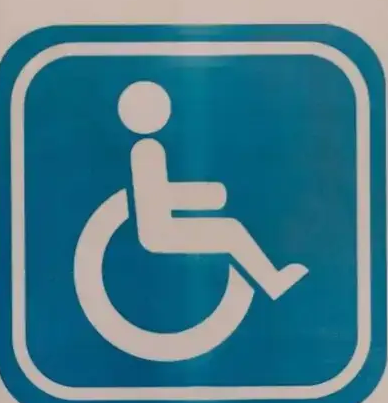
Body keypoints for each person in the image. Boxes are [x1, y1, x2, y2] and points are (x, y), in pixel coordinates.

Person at [116, 78, 306, 298]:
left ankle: (272, 281)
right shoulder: (148, 149)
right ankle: (272, 283)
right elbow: (153, 201)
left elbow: (158, 196)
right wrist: (212, 194)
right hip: (160, 231)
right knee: (232, 231)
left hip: (163, 226)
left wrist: (211, 195)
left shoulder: (149, 148)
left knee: (231, 230)